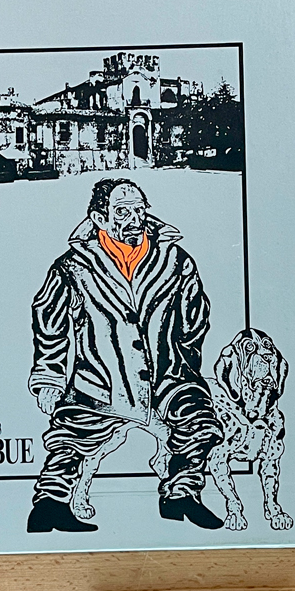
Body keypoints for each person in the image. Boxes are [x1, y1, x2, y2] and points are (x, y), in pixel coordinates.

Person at [26, 178, 224, 532]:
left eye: (139, 209)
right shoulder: (73, 266)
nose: (135, 218)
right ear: (100, 218)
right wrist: (50, 377)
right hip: (100, 379)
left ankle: (181, 495)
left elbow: (195, 317)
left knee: (200, 422)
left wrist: (184, 363)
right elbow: (49, 320)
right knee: (69, 437)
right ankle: (49, 508)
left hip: (166, 375)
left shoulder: (175, 260)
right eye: (122, 211)